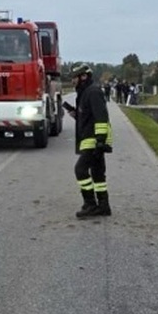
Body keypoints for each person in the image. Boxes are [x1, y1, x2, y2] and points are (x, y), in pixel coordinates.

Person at [62, 65, 112, 218]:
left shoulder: (93, 92)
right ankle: (103, 206)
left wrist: (100, 141)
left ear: (83, 77)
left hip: (94, 139)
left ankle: (90, 204)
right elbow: (88, 116)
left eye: (74, 77)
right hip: (90, 138)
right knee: (97, 173)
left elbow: (101, 117)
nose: (72, 81)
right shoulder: (85, 93)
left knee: (80, 170)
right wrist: (76, 113)